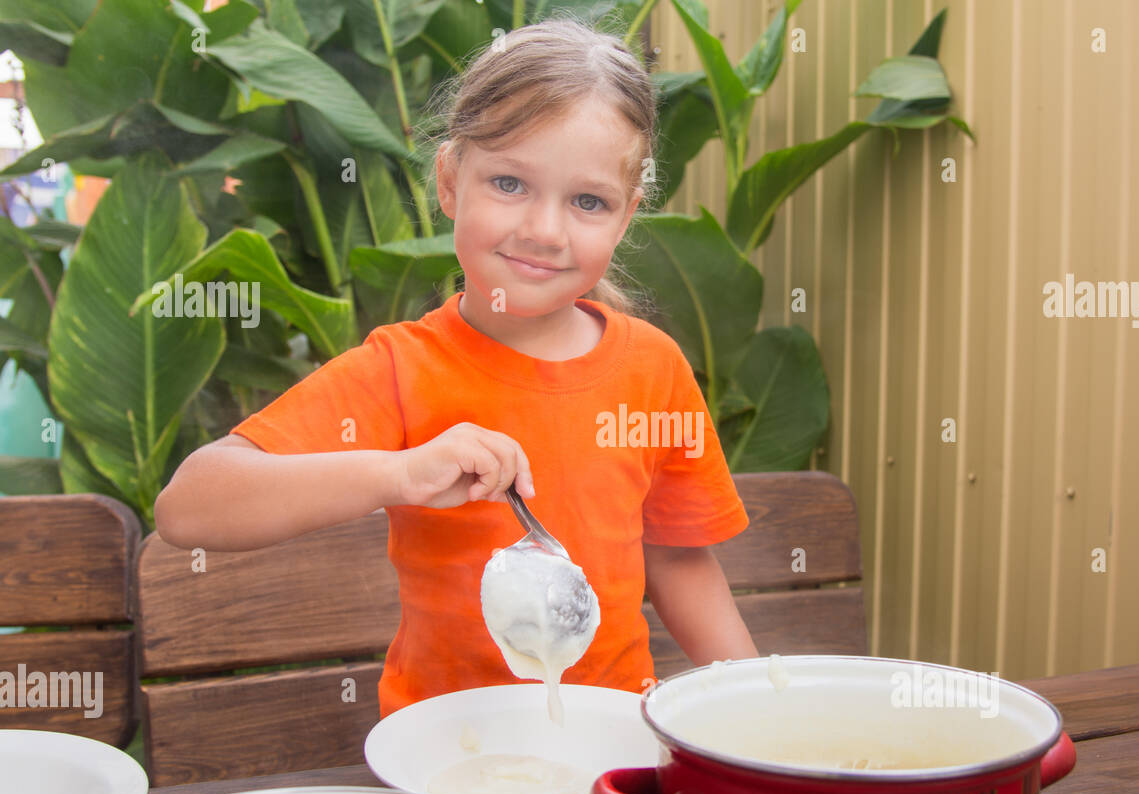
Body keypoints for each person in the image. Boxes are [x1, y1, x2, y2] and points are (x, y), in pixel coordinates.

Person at [154, 17, 758, 719]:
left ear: (624, 220)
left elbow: (678, 559)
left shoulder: (653, 370)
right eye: (509, 183)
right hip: (444, 757)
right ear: (449, 181)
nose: (544, 230)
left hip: (612, 748)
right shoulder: (401, 369)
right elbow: (189, 505)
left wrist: (755, 714)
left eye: (588, 201)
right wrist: (399, 474)